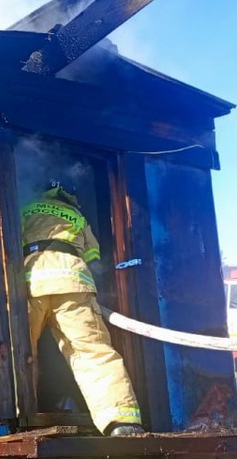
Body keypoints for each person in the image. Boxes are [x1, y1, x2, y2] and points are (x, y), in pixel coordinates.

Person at [21, 180, 145, 436]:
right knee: (92, 351)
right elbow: (93, 256)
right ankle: (121, 421)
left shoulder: (27, 208)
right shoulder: (76, 215)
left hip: (32, 283)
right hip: (73, 283)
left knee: (21, 354)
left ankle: (17, 416)